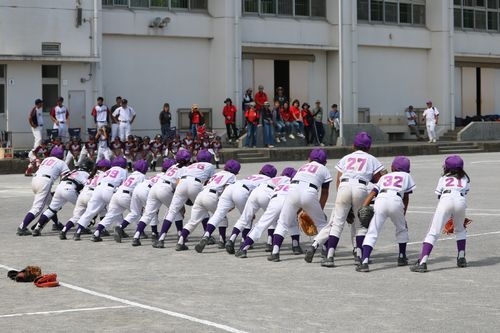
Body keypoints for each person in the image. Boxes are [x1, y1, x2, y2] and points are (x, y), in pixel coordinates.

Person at [307, 132, 386, 266]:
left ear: (354, 145)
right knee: (359, 225)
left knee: (337, 223)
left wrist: (344, 201)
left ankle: (330, 256)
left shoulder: (346, 158)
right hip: (361, 188)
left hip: (344, 187)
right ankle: (359, 256)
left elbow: (339, 179)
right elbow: (380, 180)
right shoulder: (372, 159)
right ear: (369, 147)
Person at [194, 164, 278, 253]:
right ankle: (240, 241)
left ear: (261, 171)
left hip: (231, 188)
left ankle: (206, 235)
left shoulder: (253, 176)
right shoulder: (270, 180)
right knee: (247, 218)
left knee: (218, 214)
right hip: (242, 191)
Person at [267, 149, 331, 262]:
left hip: (292, 191)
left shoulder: (303, 167)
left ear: (309, 159)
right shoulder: (324, 169)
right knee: (322, 225)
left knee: (282, 223)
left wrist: (297, 210)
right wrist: (319, 210)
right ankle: (325, 250)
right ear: (325, 162)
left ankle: (275, 253)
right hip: (310, 192)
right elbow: (325, 192)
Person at [410, 155, 470, 273]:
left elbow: (439, 195)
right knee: (460, 230)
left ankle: (422, 262)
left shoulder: (443, 178)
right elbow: (465, 192)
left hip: (446, 199)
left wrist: (446, 213)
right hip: (461, 201)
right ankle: (461, 258)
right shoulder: (465, 178)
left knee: (433, 232)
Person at [355, 156, 416, 272]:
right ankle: (402, 257)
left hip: (381, 200)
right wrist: (403, 215)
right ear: (408, 169)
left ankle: (364, 262)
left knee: (373, 231)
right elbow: (406, 198)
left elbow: (373, 192)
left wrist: (364, 206)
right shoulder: (407, 176)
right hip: (396, 200)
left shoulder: (385, 177)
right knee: (401, 229)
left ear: (392, 167)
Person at [176, 159, 241, 251]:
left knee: (193, 221)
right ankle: (221, 241)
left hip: (201, 194)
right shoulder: (231, 176)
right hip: (212, 196)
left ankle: (180, 242)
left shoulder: (217, 173)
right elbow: (226, 190)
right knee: (221, 217)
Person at [31, 159, 94, 236]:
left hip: (59, 188)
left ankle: (37, 228)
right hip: (70, 189)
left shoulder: (73, 171)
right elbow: (87, 186)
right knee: (83, 206)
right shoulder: (86, 174)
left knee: (51, 210)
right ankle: (83, 227)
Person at [16, 147, 70, 236]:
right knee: (37, 208)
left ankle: (56, 224)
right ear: (62, 155)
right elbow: (65, 178)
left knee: (52, 204)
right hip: (45, 182)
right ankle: (22, 227)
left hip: (35, 180)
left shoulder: (46, 159)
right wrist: (59, 191)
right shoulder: (62, 163)